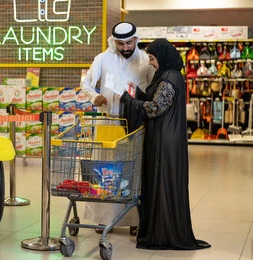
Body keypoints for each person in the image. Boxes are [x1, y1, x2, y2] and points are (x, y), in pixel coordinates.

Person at [119, 38, 211, 250]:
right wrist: (137, 94)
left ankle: (162, 234)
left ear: (162, 57)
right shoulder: (168, 75)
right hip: (164, 137)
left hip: (164, 142)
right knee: (162, 183)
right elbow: (154, 100)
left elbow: (156, 108)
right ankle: (162, 229)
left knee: (162, 182)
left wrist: (130, 101)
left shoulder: (169, 77)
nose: (150, 63)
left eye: (152, 58)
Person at [81, 21, 155, 235]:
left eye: (129, 43)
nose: (125, 48)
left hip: (134, 124)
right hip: (107, 121)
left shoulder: (144, 60)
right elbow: (86, 84)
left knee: (133, 169)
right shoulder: (102, 59)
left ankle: (134, 219)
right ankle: (104, 219)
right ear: (114, 42)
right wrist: (95, 96)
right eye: (120, 44)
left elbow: (152, 90)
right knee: (104, 170)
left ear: (136, 40)